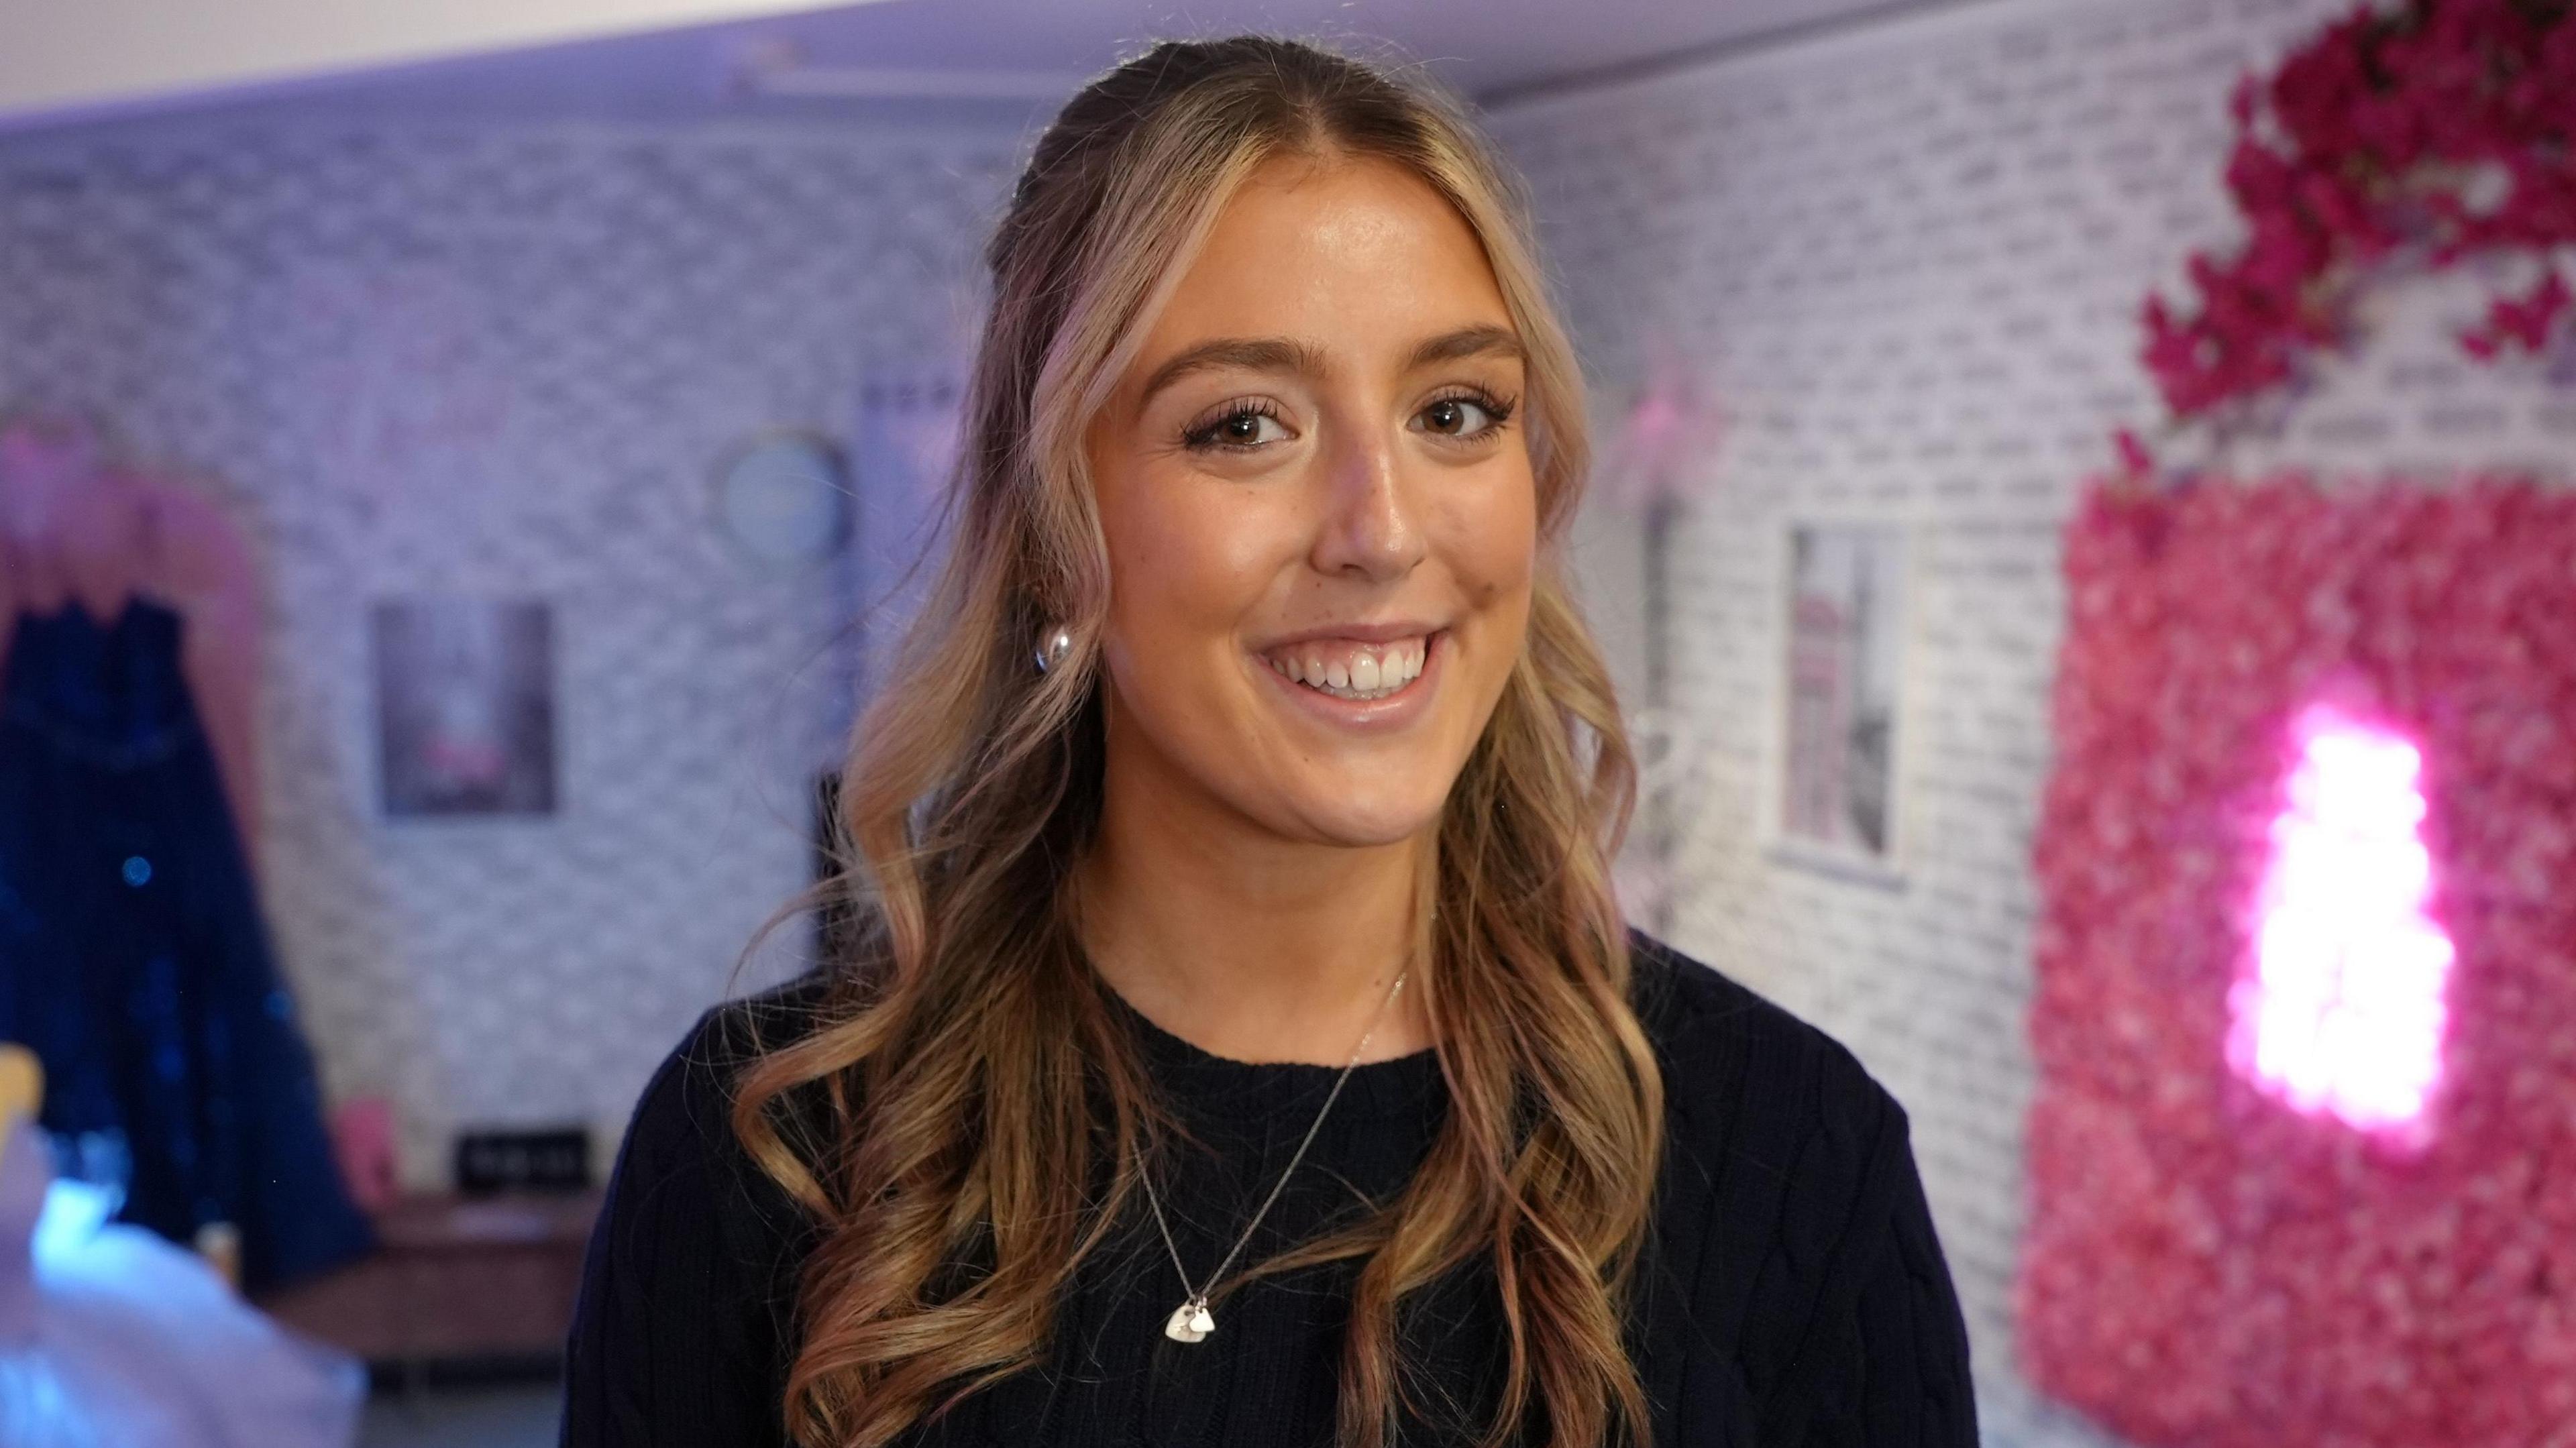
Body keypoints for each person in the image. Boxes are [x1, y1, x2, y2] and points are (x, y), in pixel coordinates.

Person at [564, 34, 1972, 1448]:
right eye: (1245, 425)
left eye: (1456, 411)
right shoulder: (773, 1158)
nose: (1385, 530)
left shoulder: (1790, 1157)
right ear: (1055, 531)